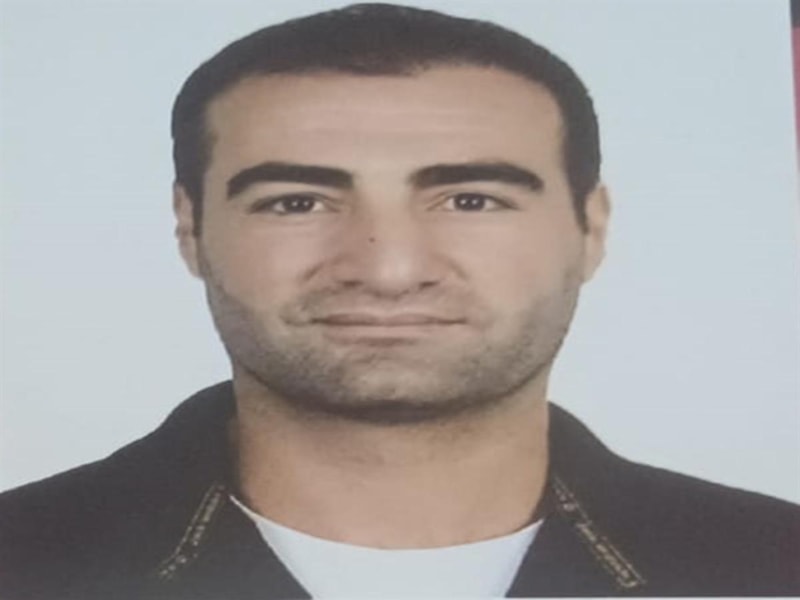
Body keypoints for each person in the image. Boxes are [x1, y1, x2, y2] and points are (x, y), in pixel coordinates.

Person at [1, 3, 798, 598]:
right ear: (191, 230)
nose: (388, 270)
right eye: (296, 203)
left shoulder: (772, 561)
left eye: (471, 200)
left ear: (591, 228)